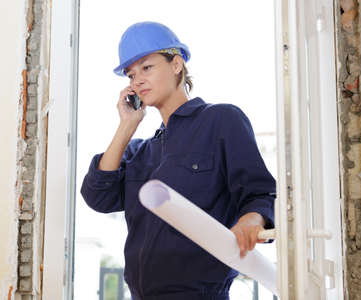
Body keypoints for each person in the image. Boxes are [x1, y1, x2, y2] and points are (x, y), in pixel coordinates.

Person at [80, 21, 276, 300]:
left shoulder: (221, 121)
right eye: (131, 75)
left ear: (176, 64)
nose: (137, 81)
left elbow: (260, 193)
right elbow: (97, 196)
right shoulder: (139, 152)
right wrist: (127, 126)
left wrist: (251, 220)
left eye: (147, 68)